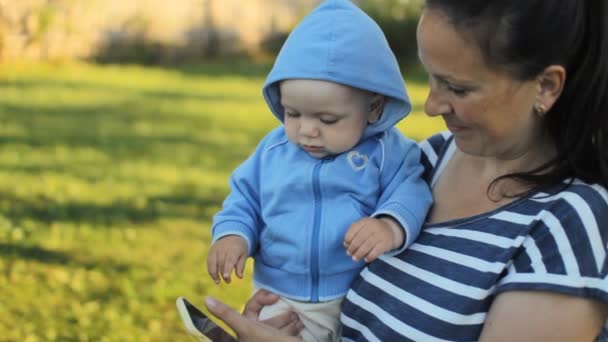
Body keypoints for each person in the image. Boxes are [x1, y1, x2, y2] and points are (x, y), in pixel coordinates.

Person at [203, 0, 608, 340]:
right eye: (430, 78)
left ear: (546, 86)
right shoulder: (426, 161)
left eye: (458, 88)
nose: (431, 106)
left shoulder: (568, 224)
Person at [206, 0, 432, 341]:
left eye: (327, 120)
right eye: (293, 113)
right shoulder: (274, 150)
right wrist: (233, 234)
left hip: (360, 292)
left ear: (373, 107)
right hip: (280, 295)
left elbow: (412, 191)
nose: (307, 130)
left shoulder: (388, 153)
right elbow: (245, 198)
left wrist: (388, 224)